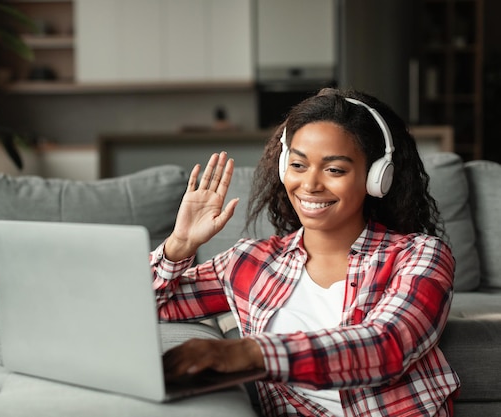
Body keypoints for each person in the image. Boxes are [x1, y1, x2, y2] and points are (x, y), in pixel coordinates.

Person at [150, 88, 460, 416]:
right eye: (298, 165)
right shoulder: (251, 261)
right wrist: (179, 245)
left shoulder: (420, 255)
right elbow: (150, 303)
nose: (310, 184)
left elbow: (387, 346)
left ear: (375, 179)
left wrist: (247, 353)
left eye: (335, 170)